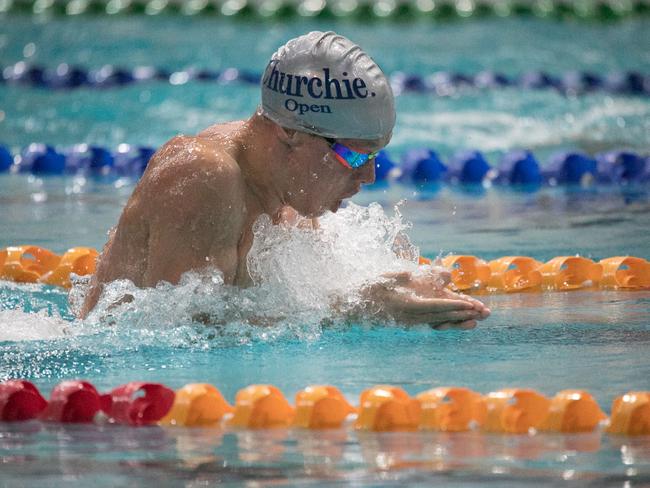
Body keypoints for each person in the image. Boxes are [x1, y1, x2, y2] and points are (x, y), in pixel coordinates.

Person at [79, 31, 490, 329]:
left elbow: (296, 303)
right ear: (291, 131)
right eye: (353, 155)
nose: (369, 175)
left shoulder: (291, 195)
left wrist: (402, 294)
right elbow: (176, 333)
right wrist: (365, 309)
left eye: (375, 156)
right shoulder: (205, 175)